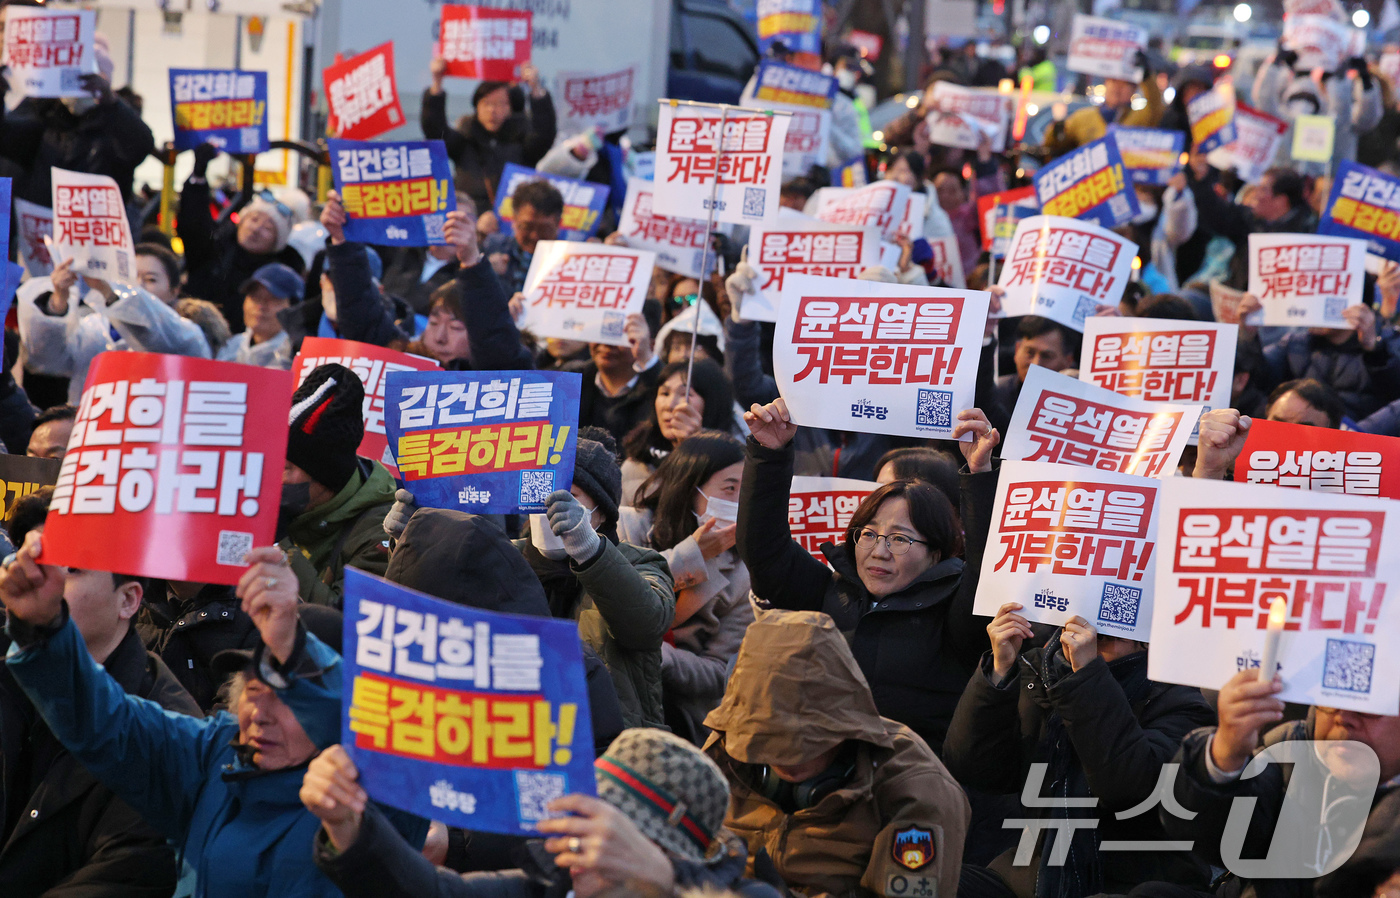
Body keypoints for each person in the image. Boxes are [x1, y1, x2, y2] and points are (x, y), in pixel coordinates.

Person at [0, 527, 427, 898]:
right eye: (251, 688)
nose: (258, 712)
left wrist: (291, 645)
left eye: (285, 694)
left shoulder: (376, 793)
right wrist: (42, 628)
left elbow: (382, 735)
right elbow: (105, 722)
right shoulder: (213, 755)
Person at [736, 398, 1001, 754]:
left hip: (915, 790)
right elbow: (764, 548)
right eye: (869, 534)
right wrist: (768, 453)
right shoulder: (829, 593)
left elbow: (987, 574)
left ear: (935, 552)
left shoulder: (953, 611)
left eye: (899, 539)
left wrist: (981, 475)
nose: (879, 552)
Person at [306, 729, 780, 898]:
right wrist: (347, 822)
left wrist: (664, 883)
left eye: (619, 837)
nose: (588, 846)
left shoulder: (749, 891)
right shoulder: (550, 886)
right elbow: (427, 890)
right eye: (587, 820)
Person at [944, 604, 1215, 898]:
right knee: (927, 881)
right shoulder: (1040, 674)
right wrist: (999, 671)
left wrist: (1087, 676)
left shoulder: (1177, 698)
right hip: (1032, 871)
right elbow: (973, 767)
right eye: (1070, 629)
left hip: (1133, 879)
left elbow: (1128, 787)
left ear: (1146, 640)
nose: (1080, 642)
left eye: (1104, 637)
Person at [703, 609, 969, 898]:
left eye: (807, 746)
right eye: (768, 745)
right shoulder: (725, 758)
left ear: (845, 727)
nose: (788, 760)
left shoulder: (916, 787)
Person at [0, 545, 201, 895]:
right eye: (42, 564)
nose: (45, 579)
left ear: (128, 601)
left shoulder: (167, 731)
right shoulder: (11, 665)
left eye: (72, 570)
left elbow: (125, 874)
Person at [515, 429, 675, 729]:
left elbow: (646, 625)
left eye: (569, 497)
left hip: (609, 743)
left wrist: (588, 549)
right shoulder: (507, 557)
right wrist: (411, 541)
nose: (550, 506)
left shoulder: (641, 562)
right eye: (543, 493)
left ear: (600, 513)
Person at [619, 432, 752, 743]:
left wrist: (660, 656)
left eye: (747, 490)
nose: (739, 502)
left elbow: (721, 672)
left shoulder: (743, 573)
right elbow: (617, 594)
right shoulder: (627, 527)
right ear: (688, 486)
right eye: (730, 489)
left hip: (680, 711)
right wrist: (691, 556)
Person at [281, 364, 397, 609]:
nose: (272, 476)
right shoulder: (278, 503)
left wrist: (279, 547)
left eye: (286, 468)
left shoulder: (380, 532)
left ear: (326, 477)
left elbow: (342, 622)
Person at [18, 263, 212, 404]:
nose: (137, 287)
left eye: (151, 279)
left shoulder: (186, 334)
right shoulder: (90, 327)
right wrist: (58, 300)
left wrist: (111, 294)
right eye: (129, 277)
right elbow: (45, 360)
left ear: (174, 291)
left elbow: (154, 336)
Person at [0, 35, 155, 209]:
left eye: (90, 79)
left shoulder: (115, 127)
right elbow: (5, 137)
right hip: (40, 227)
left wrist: (112, 103)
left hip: (93, 229)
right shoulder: (43, 119)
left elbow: (143, 144)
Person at [178, 144, 306, 332]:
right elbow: (193, 224)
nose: (256, 229)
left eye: (268, 228)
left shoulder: (285, 273)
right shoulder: (214, 247)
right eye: (254, 219)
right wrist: (197, 178)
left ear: (278, 242)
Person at [422, 60, 556, 216]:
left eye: (501, 104)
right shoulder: (464, 141)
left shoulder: (524, 144)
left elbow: (545, 133)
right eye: (486, 103)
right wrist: (437, 82)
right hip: (469, 225)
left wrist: (535, 88)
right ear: (476, 107)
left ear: (512, 108)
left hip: (515, 227)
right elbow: (435, 130)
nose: (492, 110)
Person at [621, 359, 737, 505]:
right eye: (664, 393)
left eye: (684, 394)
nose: (670, 405)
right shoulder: (637, 463)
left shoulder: (735, 463)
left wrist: (696, 450)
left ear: (711, 403)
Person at [1044, 54, 1164, 156]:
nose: (1118, 87)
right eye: (1113, 81)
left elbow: (1155, 106)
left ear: (1134, 89)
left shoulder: (1139, 119)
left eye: (1125, 84)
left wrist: (1147, 76)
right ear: (1106, 83)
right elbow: (1053, 146)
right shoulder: (1082, 117)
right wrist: (1058, 125)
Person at [380, 193, 477, 315]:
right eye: (450, 219)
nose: (455, 228)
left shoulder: (470, 275)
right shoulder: (404, 252)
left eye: (464, 221)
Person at [576, 318, 664, 445]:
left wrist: (646, 358)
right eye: (602, 330)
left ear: (649, 343)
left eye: (619, 334)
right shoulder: (573, 378)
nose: (606, 343)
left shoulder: (658, 390)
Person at [483, 178, 563, 296]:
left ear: (558, 224)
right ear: (514, 219)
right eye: (527, 227)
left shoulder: (570, 262)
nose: (534, 236)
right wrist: (484, 273)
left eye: (544, 229)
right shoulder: (492, 246)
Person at [216, 263, 303, 368]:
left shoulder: (298, 357)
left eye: (273, 299)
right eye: (255, 297)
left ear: (294, 308)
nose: (261, 306)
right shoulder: (230, 347)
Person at [994, 316, 1081, 415]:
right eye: (1029, 353)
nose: (1035, 364)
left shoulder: (1082, 404)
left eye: (1046, 356)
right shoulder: (995, 394)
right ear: (1017, 350)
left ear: (1068, 361)